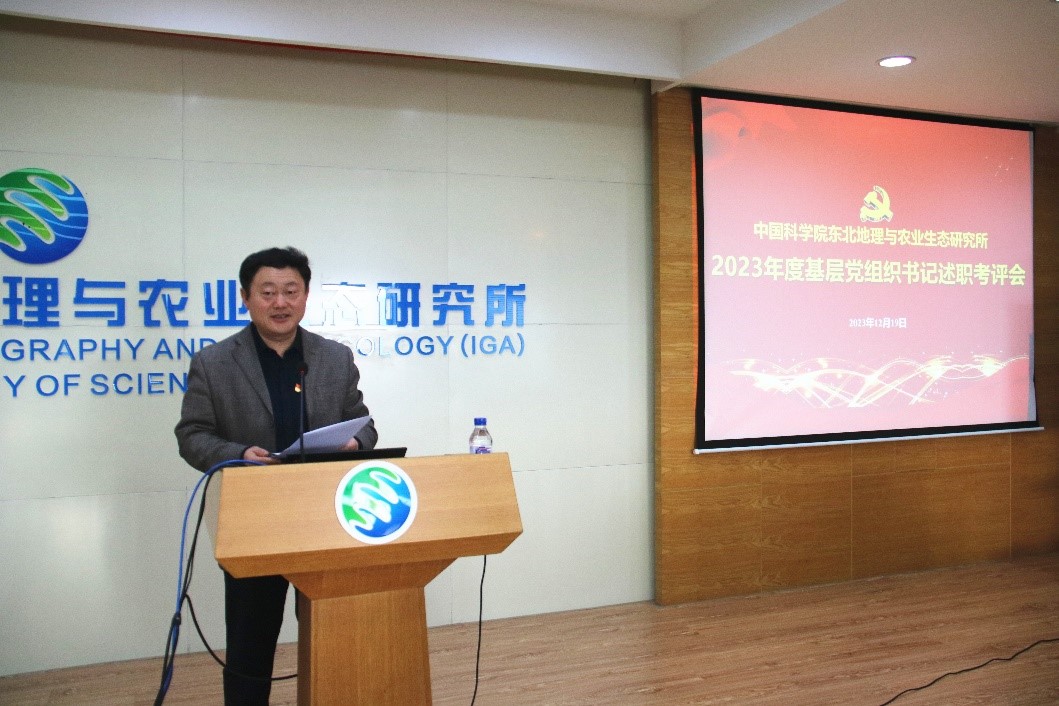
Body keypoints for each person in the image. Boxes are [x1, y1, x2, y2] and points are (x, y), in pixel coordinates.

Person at [175, 246, 377, 705]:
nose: (280, 302)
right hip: (254, 520)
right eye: (267, 292)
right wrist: (238, 453)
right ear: (245, 297)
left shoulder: (335, 358)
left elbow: (364, 424)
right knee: (250, 645)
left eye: (291, 291)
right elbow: (192, 435)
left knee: (332, 638)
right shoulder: (214, 363)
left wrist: (355, 443)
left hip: (329, 518)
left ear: (306, 295)